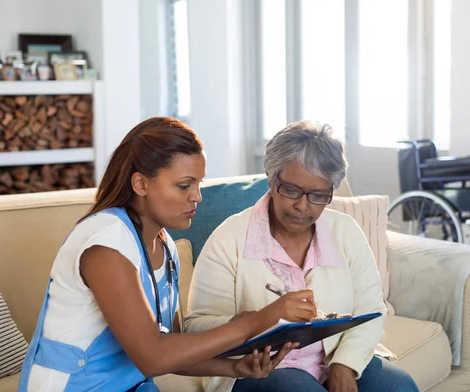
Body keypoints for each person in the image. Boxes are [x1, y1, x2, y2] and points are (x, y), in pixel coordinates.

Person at [17, 117, 314, 392]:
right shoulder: (105, 245)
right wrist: (258, 320)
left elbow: (173, 348)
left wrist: (235, 367)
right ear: (141, 184)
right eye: (184, 185)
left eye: (198, 184)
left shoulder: (165, 246)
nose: (197, 195)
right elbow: (153, 357)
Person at [185, 121, 419, 392]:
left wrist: (345, 364)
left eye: (318, 195)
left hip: (334, 357)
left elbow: (371, 309)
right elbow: (195, 327)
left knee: (399, 387)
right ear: (272, 181)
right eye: (292, 190)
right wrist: (260, 318)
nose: (302, 206)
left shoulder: (345, 232)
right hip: (257, 369)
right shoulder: (229, 238)